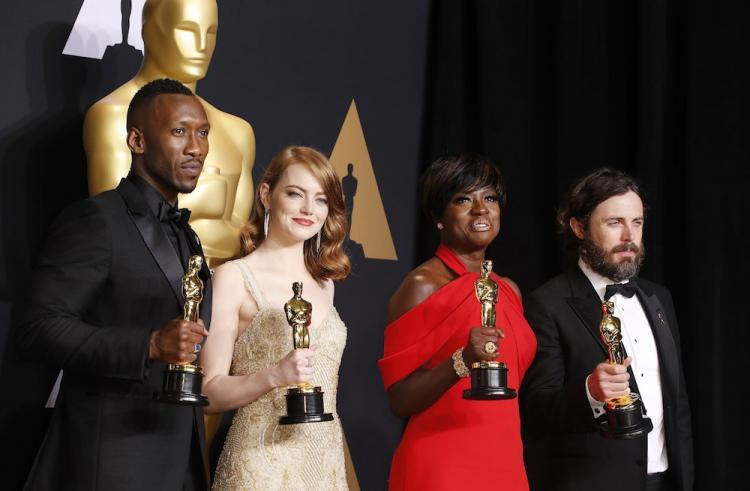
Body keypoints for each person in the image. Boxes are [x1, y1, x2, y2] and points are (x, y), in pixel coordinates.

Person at [15, 78, 213, 490]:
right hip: (111, 460)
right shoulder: (95, 221)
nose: (196, 147)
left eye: (202, 132)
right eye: (179, 131)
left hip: (181, 458)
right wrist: (150, 345)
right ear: (137, 140)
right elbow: (37, 329)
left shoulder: (187, 235)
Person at [520, 168, 694, 491]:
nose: (629, 236)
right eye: (615, 223)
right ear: (579, 227)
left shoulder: (660, 298)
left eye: (637, 223)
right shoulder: (547, 304)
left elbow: (677, 401)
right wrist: (590, 392)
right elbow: (536, 413)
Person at [379, 154, 537, 490]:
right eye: (464, 199)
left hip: (505, 462)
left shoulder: (508, 291)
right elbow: (400, 400)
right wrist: (462, 361)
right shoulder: (422, 285)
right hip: (443, 465)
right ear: (439, 216)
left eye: (490, 198)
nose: (481, 209)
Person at [200, 146, 351, 490]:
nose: (308, 210)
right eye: (295, 194)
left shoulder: (325, 284)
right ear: (267, 195)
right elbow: (208, 392)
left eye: (321, 199)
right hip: (259, 465)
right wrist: (274, 375)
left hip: (323, 467)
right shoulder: (233, 277)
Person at [84, 0, 256, 268]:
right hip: (146, 299)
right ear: (149, 31)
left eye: (211, 32)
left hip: (220, 297)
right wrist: (207, 197)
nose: (202, 45)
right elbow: (121, 227)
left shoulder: (238, 131)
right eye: (187, 30)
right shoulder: (113, 116)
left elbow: (240, 238)